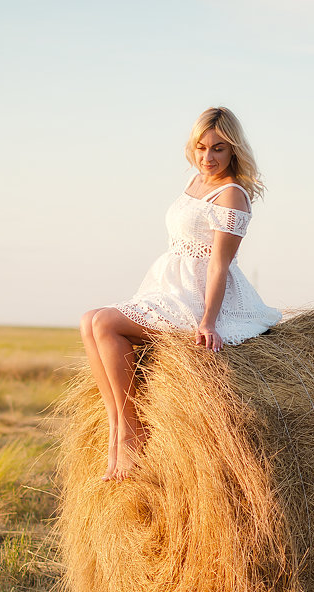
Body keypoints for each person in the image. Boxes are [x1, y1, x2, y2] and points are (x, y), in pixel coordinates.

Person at [81, 107, 281, 481]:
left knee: (106, 323)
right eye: (202, 147)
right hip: (169, 285)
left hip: (198, 296)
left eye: (219, 149)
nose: (208, 157)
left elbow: (220, 264)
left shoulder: (232, 194)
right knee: (88, 321)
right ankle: (117, 428)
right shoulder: (196, 182)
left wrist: (208, 320)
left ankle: (132, 431)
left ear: (234, 149)